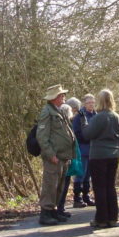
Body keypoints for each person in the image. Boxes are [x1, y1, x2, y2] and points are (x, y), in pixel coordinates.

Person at [36, 84, 76, 226]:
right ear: (54, 98)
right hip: (54, 156)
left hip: (63, 156)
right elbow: (42, 136)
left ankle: (53, 211)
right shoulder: (47, 112)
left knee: (59, 185)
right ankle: (45, 213)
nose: (64, 97)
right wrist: (50, 154)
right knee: (50, 185)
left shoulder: (59, 111)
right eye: (61, 95)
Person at [83, 89, 119, 228]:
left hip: (98, 155)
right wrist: (117, 151)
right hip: (113, 155)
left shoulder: (98, 117)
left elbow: (88, 134)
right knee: (110, 186)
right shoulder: (117, 117)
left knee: (99, 187)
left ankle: (101, 219)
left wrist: (84, 125)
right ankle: (113, 217)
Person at [70, 93, 97, 208]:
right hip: (83, 148)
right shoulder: (79, 117)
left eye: (92, 102)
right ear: (84, 104)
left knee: (89, 175)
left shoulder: (96, 115)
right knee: (81, 173)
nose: (91, 104)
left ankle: (86, 196)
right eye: (88, 103)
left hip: (93, 149)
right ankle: (77, 198)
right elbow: (76, 132)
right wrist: (87, 137)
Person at [55, 103, 75, 219]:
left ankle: (60, 208)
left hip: (67, 157)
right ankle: (59, 208)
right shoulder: (65, 125)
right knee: (62, 184)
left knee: (64, 184)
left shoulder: (67, 125)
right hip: (63, 158)